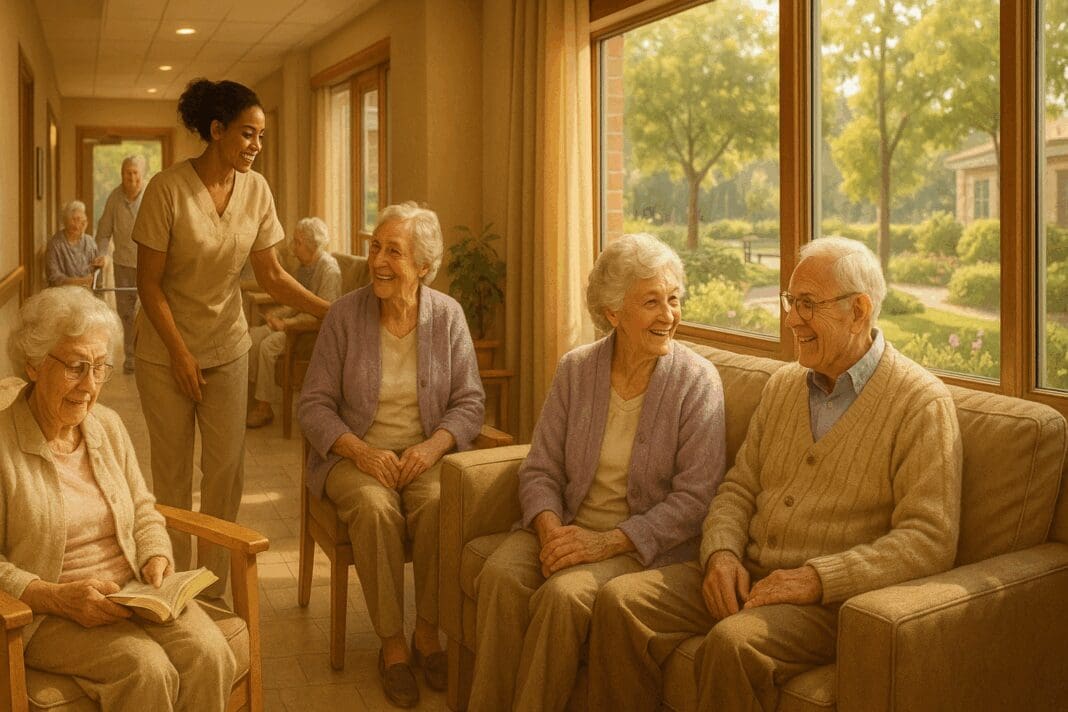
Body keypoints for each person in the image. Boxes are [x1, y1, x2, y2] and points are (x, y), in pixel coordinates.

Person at [588, 237, 963, 711]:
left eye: (807, 304)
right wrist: (720, 554)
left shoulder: (920, 403)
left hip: (825, 604)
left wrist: (816, 578)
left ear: (859, 310)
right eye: (791, 302)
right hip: (746, 574)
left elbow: (928, 538)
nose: (791, 319)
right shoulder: (785, 385)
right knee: (619, 602)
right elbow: (738, 488)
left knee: (733, 643)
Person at [467, 233, 726, 712]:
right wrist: (549, 531)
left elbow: (696, 501)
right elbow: (540, 467)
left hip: (639, 546)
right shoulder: (577, 370)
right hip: (564, 525)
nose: (668, 315)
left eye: (673, 299)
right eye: (651, 302)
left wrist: (604, 543)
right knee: (501, 577)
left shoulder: (697, 382)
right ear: (613, 313)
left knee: (563, 597)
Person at [133, 78, 330, 598]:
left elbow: (271, 276)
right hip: (164, 347)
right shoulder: (166, 190)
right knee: (173, 474)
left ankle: (211, 589)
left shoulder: (257, 190)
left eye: (261, 137)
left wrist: (331, 311)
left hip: (227, 344)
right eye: (247, 134)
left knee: (225, 471)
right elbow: (147, 284)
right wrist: (178, 353)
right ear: (216, 130)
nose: (255, 147)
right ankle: (170, 588)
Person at [1, 286, 236, 712]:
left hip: (133, 591)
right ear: (34, 364)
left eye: (100, 368)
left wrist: (155, 556)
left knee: (211, 654)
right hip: (49, 612)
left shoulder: (106, 425)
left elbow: (144, 508)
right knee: (147, 670)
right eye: (76, 366)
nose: (89, 387)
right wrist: (53, 596)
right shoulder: (2, 446)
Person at [299, 202, 485, 708]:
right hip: (352, 456)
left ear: (423, 266)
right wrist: (359, 451)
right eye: (375, 247)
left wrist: (433, 446)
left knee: (437, 504)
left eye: (393, 252)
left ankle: (427, 632)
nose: (378, 260)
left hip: (424, 454)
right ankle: (394, 646)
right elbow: (312, 404)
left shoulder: (447, 316)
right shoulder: (344, 316)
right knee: (377, 509)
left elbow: (470, 402)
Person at [246, 216, 342, 428]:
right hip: (295, 324)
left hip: (310, 334)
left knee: (268, 346)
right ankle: (257, 401)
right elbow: (296, 301)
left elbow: (325, 313)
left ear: (311, 244)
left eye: (297, 242)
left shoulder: (329, 269)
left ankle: (264, 407)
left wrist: (287, 325)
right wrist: (278, 316)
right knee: (252, 336)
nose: (292, 248)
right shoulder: (304, 267)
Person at [96, 154, 147, 374]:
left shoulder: (151, 195)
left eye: (135, 173)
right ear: (122, 175)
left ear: (142, 175)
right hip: (123, 264)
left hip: (148, 264)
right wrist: (102, 254)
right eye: (128, 173)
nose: (132, 177)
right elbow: (104, 232)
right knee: (126, 313)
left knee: (147, 312)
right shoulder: (114, 198)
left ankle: (147, 357)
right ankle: (131, 356)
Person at [46, 200, 104, 288]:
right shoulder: (55, 244)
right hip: (63, 294)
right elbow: (53, 278)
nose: (78, 225)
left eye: (82, 221)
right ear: (65, 221)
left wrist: (99, 265)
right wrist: (79, 282)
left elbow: (97, 277)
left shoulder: (90, 242)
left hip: (86, 293)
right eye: (74, 220)